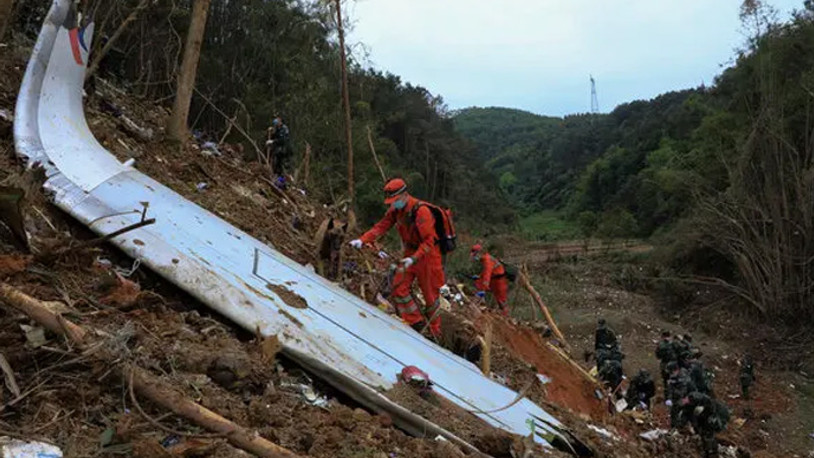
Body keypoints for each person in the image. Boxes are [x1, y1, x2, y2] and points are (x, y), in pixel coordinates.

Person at [349, 178, 444, 338]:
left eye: (396, 200)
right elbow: (381, 226)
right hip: (410, 253)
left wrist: (414, 258)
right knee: (398, 286)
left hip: (427, 255)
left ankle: (435, 333)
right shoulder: (396, 211)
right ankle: (416, 323)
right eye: (391, 201)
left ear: (405, 195)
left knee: (430, 296)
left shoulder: (421, 212)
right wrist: (363, 239)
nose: (393, 204)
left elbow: (429, 240)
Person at [683, 391, 730, 457]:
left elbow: (711, 408)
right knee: (702, 431)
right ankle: (707, 449)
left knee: (708, 432)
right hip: (703, 415)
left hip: (717, 414)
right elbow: (687, 415)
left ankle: (712, 452)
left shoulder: (706, 403)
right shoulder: (688, 403)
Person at [470, 244, 510, 316]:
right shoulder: (485, 258)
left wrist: (484, 288)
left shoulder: (487, 260)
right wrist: (480, 277)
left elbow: (487, 274)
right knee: (479, 283)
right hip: (494, 279)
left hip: (499, 281)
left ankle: (506, 316)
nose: (475, 257)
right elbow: (486, 272)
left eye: (475, 254)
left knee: (501, 300)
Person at [666, 361, 697, 429]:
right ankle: (674, 427)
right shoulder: (674, 376)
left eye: (671, 372)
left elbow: (681, 392)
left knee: (689, 413)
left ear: (676, 370)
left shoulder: (684, 377)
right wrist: (669, 398)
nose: (670, 374)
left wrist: (674, 396)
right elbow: (670, 388)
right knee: (674, 411)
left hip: (690, 397)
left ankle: (694, 428)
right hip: (680, 396)